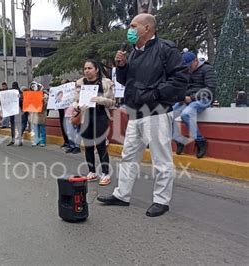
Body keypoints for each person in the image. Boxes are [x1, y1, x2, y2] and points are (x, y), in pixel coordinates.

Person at [97, 14, 189, 217]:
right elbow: (125, 82)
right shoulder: (133, 53)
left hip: (156, 112)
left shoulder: (166, 49)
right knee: (128, 156)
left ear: (147, 28)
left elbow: (180, 78)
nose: (129, 29)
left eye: (133, 25)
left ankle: (161, 200)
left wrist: (156, 93)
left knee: (160, 158)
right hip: (135, 113)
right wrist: (121, 66)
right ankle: (122, 195)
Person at [73, 59, 115, 186]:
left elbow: (112, 102)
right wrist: (77, 107)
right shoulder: (80, 83)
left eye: (89, 68)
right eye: (85, 68)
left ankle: (105, 173)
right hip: (86, 117)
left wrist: (99, 100)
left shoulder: (106, 83)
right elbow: (75, 101)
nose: (87, 71)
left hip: (101, 116)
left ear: (96, 69)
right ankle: (92, 171)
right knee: (88, 145)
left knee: (101, 145)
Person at [173, 52, 216, 158]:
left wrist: (191, 98)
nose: (188, 69)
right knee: (167, 115)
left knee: (186, 114)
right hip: (188, 98)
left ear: (196, 61)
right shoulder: (186, 71)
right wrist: (180, 96)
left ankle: (200, 141)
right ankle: (179, 140)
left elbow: (210, 88)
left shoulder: (207, 69)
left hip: (204, 98)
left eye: (190, 66)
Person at [29, 82, 48, 147]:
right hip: (35, 114)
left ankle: (42, 141)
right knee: (35, 129)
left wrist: (42, 101)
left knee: (42, 129)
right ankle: (36, 141)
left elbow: (45, 106)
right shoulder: (33, 95)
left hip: (42, 114)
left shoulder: (45, 96)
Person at [7, 81, 24, 146]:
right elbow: (21, 101)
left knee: (13, 126)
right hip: (18, 111)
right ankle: (20, 140)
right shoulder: (19, 92)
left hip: (12, 111)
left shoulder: (10, 92)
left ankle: (13, 140)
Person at [58, 79, 71, 149]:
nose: (62, 85)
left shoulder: (70, 92)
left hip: (69, 111)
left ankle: (70, 143)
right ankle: (66, 141)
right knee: (63, 127)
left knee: (69, 128)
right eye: (61, 84)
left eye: (64, 84)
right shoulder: (59, 92)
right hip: (61, 110)